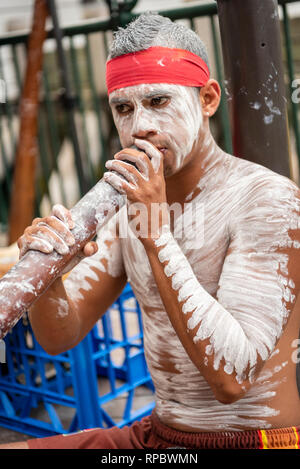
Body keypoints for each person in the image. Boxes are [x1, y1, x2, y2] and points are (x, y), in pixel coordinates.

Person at [2, 12, 300, 450]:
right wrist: (50, 276)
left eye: (158, 101)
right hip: (157, 435)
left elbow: (232, 381)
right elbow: (59, 337)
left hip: (251, 441)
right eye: (123, 108)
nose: (139, 125)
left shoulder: (268, 200)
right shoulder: (130, 206)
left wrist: (155, 231)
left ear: (208, 100)